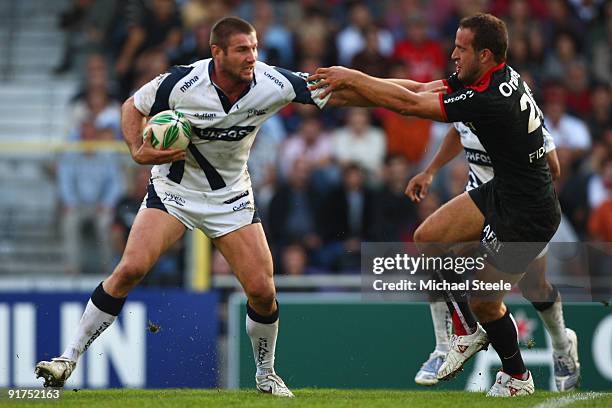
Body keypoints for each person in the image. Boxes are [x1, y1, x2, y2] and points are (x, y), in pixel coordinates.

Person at [35, 16, 342, 398]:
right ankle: (68, 358)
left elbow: (332, 91)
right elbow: (133, 107)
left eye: (254, 47)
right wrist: (137, 149)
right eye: (243, 49)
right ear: (217, 52)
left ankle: (266, 373)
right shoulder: (181, 82)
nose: (253, 56)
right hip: (174, 191)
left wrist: (402, 95)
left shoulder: (272, 82)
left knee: (263, 291)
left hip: (230, 198)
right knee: (130, 268)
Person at [310, 13, 564, 396]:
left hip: (527, 213)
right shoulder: (490, 76)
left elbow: (411, 105)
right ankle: (463, 331)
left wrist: (354, 77)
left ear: (486, 53)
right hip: (502, 192)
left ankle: (517, 378)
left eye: (461, 48)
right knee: (428, 237)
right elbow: (416, 87)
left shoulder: (488, 99)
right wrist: (351, 94)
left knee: (485, 302)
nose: (453, 54)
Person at [409, 122, 579, 391]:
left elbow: (554, 168)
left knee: (533, 288)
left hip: (519, 210)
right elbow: (456, 129)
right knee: (436, 246)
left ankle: (561, 344)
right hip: (478, 202)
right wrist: (431, 170)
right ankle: (443, 347)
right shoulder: (465, 99)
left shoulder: (515, 108)